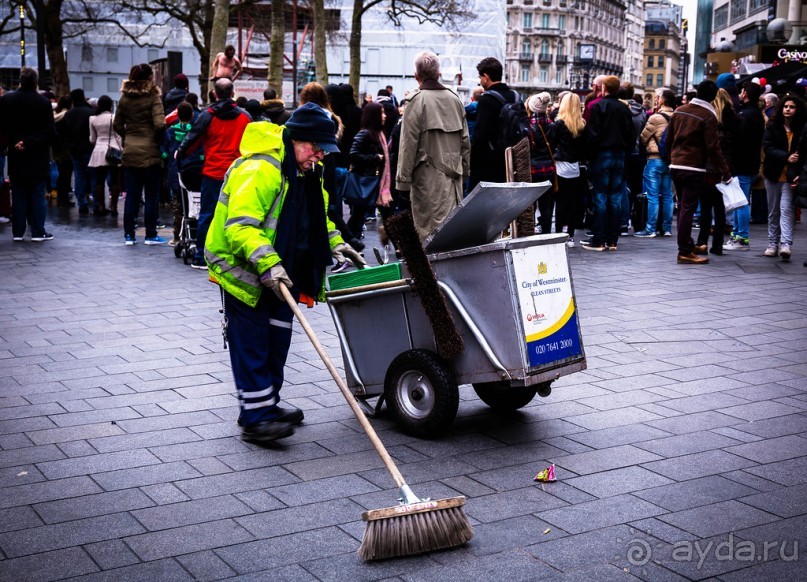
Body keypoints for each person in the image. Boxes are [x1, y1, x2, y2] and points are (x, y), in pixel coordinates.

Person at [204, 103, 366, 442]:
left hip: (282, 268)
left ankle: (265, 405)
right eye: (314, 148)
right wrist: (268, 264)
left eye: (323, 150)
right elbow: (241, 227)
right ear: (295, 140)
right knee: (252, 341)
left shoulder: (306, 173)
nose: (319, 156)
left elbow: (316, 218)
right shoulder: (261, 169)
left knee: (277, 339)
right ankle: (256, 419)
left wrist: (337, 243)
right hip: (243, 267)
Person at [396, 51, 470, 241]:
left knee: (429, 236)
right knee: (453, 235)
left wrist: (402, 182)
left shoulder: (416, 101)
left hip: (426, 182)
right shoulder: (456, 100)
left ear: (416, 76)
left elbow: (408, 144)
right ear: (439, 74)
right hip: (454, 182)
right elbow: (465, 143)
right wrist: (464, 173)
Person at [177, 78, 251, 268]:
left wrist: (180, 155)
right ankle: (230, 254)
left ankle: (201, 255)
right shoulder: (244, 117)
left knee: (207, 214)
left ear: (215, 93)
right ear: (232, 92)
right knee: (234, 216)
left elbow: (192, 140)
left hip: (213, 173)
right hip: (237, 174)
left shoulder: (208, 115)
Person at [665, 79, 731, 265]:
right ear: (712, 96)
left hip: (676, 165)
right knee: (687, 208)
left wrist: (670, 159)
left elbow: (668, 139)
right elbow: (713, 147)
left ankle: (687, 244)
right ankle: (685, 251)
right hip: (694, 167)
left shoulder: (679, 110)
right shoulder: (708, 115)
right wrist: (725, 171)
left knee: (682, 207)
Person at [114, 63, 168, 245]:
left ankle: (129, 234)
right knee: (151, 195)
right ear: (149, 78)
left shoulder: (124, 98)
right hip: (150, 153)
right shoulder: (153, 96)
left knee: (132, 195)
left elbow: (117, 124)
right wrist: (157, 139)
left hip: (130, 152)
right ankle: (150, 234)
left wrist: (128, 136)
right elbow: (160, 124)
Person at [0, 67, 56, 241]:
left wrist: (13, 142)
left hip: (16, 154)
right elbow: (49, 132)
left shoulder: (7, 100)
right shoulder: (43, 103)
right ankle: (38, 231)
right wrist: (28, 142)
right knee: (38, 193)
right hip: (37, 154)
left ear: (20, 81)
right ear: (36, 82)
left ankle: (18, 231)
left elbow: (2, 126)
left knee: (18, 193)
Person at [581, 76, 635, 252]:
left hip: (602, 155)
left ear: (604, 88)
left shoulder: (599, 106)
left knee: (601, 197)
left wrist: (589, 156)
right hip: (620, 155)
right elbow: (631, 135)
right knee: (615, 197)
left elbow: (592, 135)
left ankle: (599, 239)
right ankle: (613, 239)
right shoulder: (625, 109)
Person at [762, 94, 805, 261]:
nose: (788, 109)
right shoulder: (773, 126)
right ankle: (773, 243)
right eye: (786, 106)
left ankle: (785, 244)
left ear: (798, 109)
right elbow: (768, 147)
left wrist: (799, 169)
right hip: (773, 174)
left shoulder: (802, 127)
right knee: (773, 211)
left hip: (791, 176)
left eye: (792, 107)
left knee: (786, 210)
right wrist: (786, 156)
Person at [694, 88, 736, 256]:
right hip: (724, 169)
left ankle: (702, 241)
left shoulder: (708, 117)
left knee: (705, 207)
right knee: (720, 208)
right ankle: (717, 244)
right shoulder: (733, 119)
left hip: (707, 167)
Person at [724, 80, 765, 252]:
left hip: (742, 164)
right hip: (750, 163)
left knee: (740, 202)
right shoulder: (755, 113)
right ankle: (738, 236)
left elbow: (741, 142)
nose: (740, 94)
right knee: (741, 200)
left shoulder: (745, 114)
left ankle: (741, 238)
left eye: (742, 91)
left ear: (745, 94)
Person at [468, 57, 515, 191]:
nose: (480, 81)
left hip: (488, 165)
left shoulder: (487, 100)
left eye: (480, 77)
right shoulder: (515, 96)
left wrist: (472, 166)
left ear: (486, 77)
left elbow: (480, 136)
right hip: (511, 163)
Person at [637, 89, 676, 238]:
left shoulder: (655, 118)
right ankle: (666, 229)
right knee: (667, 196)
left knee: (653, 196)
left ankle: (650, 228)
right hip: (670, 160)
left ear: (662, 101)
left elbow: (643, 137)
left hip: (655, 159)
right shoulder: (678, 116)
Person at [550, 92, 588, 247]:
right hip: (575, 167)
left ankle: (559, 232)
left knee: (560, 202)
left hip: (560, 166)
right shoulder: (582, 124)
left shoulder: (558, 124)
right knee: (573, 202)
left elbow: (552, 144)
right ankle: (570, 234)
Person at [347, 102, 388, 240]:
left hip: (375, 181)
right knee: (358, 216)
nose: (384, 116)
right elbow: (353, 154)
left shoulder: (379, 134)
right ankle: (351, 241)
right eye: (381, 113)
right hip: (365, 181)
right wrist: (375, 157)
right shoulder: (365, 134)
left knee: (359, 216)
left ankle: (352, 241)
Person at [162, 102, 202, 246]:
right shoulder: (196, 133)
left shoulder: (170, 132)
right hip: (193, 172)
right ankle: (192, 234)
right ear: (192, 115)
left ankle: (177, 236)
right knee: (193, 203)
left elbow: (165, 153)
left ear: (177, 115)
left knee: (178, 205)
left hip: (175, 172)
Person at [88, 95, 123, 216]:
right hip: (113, 150)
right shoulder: (114, 118)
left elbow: (92, 139)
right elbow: (119, 136)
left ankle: (101, 206)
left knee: (99, 181)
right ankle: (113, 206)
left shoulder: (93, 118)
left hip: (98, 151)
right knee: (114, 181)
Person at [526, 92, 556, 236]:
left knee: (531, 203)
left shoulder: (528, 127)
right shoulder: (553, 125)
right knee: (546, 204)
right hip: (549, 169)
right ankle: (546, 231)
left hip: (532, 169)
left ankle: (529, 230)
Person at [63, 88, 95, 214]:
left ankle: (81, 202)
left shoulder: (68, 114)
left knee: (79, 176)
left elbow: (66, 134)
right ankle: (96, 201)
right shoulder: (90, 112)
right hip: (89, 147)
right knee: (93, 176)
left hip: (75, 149)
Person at [52, 95, 75, 208]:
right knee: (66, 175)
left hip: (56, 148)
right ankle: (63, 199)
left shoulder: (55, 115)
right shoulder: (67, 116)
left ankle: (61, 198)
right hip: (66, 149)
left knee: (61, 175)